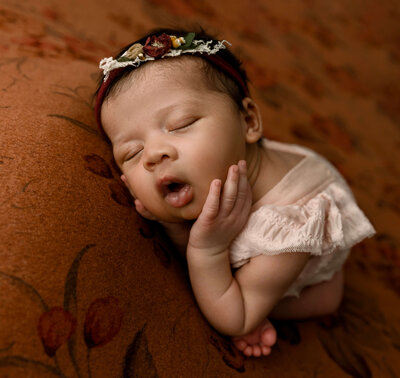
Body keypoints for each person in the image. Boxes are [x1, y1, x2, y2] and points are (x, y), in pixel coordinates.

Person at [94, 28, 375, 357]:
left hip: (301, 248)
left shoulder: (289, 226)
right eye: (131, 153)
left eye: (182, 123)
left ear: (249, 122)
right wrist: (171, 223)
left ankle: (314, 288)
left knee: (320, 300)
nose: (154, 154)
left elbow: (236, 319)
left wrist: (208, 250)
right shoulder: (218, 164)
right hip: (252, 166)